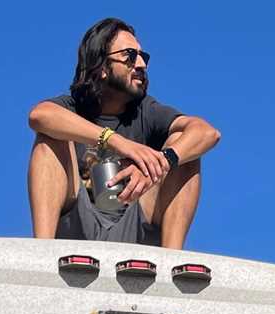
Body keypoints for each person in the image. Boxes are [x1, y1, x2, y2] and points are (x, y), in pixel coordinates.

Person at [27, 18, 221, 250]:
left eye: (143, 57)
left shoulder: (146, 111)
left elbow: (207, 132)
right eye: (130, 56)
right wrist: (116, 141)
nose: (141, 64)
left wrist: (163, 162)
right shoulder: (73, 107)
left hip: (135, 226)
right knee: (49, 138)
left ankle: (172, 262)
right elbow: (39, 115)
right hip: (77, 225)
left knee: (184, 147)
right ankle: (42, 253)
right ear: (101, 68)